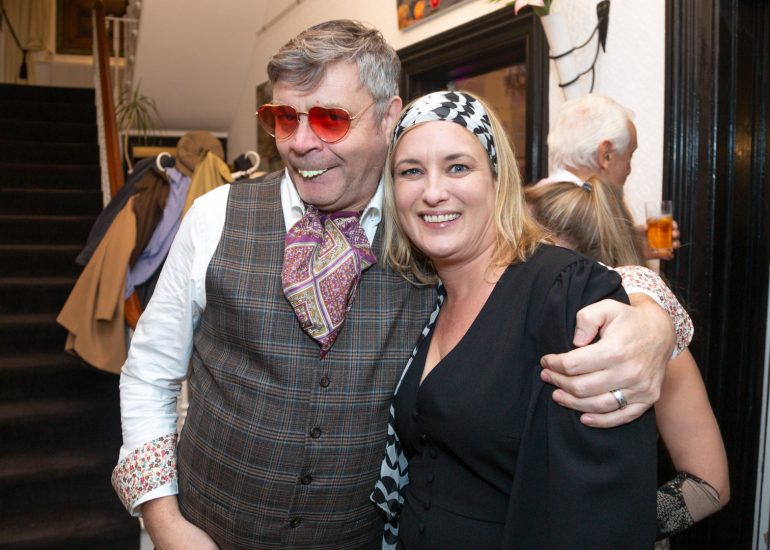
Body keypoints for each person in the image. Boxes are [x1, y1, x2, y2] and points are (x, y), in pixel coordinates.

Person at [111, 20, 680, 549]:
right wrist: (164, 522)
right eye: (284, 118)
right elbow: (148, 373)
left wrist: (651, 314)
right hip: (203, 533)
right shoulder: (215, 217)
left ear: (388, 118)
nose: (301, 143)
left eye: (329, 119)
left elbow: (540, 263)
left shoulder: (429, 225)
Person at [372, 90, 657, 549]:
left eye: (457, 167)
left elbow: (603, 512)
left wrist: (656, 320)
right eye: (411, 171)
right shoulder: (421, 290)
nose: (433, 192)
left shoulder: (564, 293)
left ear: (497, 178)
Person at [525, 178, 729, 539]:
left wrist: (612, 529)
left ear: (563, 249)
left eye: (526, 244)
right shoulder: (526, 316)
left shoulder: (644, 335)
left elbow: (708, 486)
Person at [540, 93, 680, 260]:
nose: (629, 169)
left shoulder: (534, 202)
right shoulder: (581, 214)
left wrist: (631, 246)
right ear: (606, 156)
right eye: (630, 155)